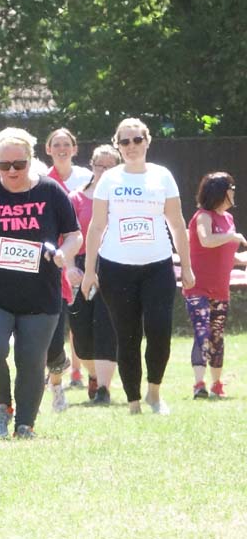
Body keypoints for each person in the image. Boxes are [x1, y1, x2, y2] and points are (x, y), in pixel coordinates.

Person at [0, 128, 82, 439]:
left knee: (31, 360)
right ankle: (1, 407)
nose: (11, 171)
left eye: (19, 165)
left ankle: (25, 424)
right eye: (4, 165)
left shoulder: (51, 192)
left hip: (40, 294)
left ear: (31, 161)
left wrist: (64, 253)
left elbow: (75, 234)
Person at [81, 118, 195, 415]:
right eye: (125, 141)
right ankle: (133, 402)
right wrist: (90, 271)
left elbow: (177, 223)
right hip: (116, 268)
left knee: (159, 331)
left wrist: (187, 265)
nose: (131, 146)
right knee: (127, 335)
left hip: (157, 266)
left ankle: (154, 394)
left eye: (136, 140)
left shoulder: (162, 176)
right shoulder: (110, 179)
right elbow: (96, 227)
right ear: (118, 145)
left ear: (147, 141)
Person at [183, 172, 247, 399]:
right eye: (231, 188)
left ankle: (217, 384)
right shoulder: (203, 216)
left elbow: (232, 257)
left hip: (221, 290)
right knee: (203, 331)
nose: (233, 193)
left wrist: (242, 256)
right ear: (220, 191)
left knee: (217, 336)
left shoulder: (228, 220)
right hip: (197, 287)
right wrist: (233, 236)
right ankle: (199, 384)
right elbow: (206, 240)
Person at [67, 145, 122, 405]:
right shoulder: (75, 199)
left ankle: (103, 388)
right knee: (80, 328)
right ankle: (92, 373)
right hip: (79, 265)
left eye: (109, 166)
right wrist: (69, 267)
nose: (103, 171)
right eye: (99, 165)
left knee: (106, 325)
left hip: (112, 264)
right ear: (91, 166)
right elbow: (64, 236)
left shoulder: (122, 199)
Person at [44, 127, 95, 390]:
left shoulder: (86, 177)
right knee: (60, 317)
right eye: (56, 144)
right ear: (48, 149)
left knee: (80, 319)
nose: (62, 149)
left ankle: (79, 371)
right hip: (55, 258)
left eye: (67, 144)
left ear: (75, 149)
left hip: (85, 253)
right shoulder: (42, 179)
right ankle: (59, 369)